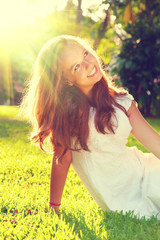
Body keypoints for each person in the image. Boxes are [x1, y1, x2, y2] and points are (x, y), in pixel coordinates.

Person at [22, 35, 160, 219]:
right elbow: (61, 160)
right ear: (66, 80)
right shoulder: (69, 115)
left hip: (146, 172)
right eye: (76, 66)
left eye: (85, 53)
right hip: (118, 195)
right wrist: (53, 208)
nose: (88, 64)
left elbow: (154, 143)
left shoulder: (122, 102)